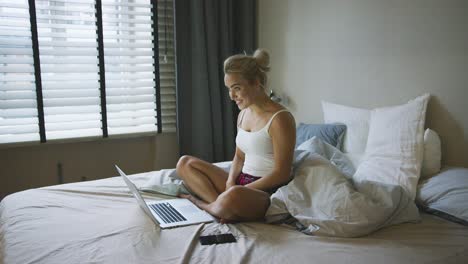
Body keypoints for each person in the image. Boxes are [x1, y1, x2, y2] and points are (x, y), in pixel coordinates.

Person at [176, 49, 296, 223]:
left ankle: (202, 204)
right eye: (229, 89)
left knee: (234, 194)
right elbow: (239, 157)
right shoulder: (243, 114)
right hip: (241, 184)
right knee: (184, 163)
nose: (232, 96)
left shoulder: (280, 118)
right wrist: (231, 181)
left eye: (237, 88)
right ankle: (221, 207)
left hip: (266, 191)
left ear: (256, 83)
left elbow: (282, 173)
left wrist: (241, 189)